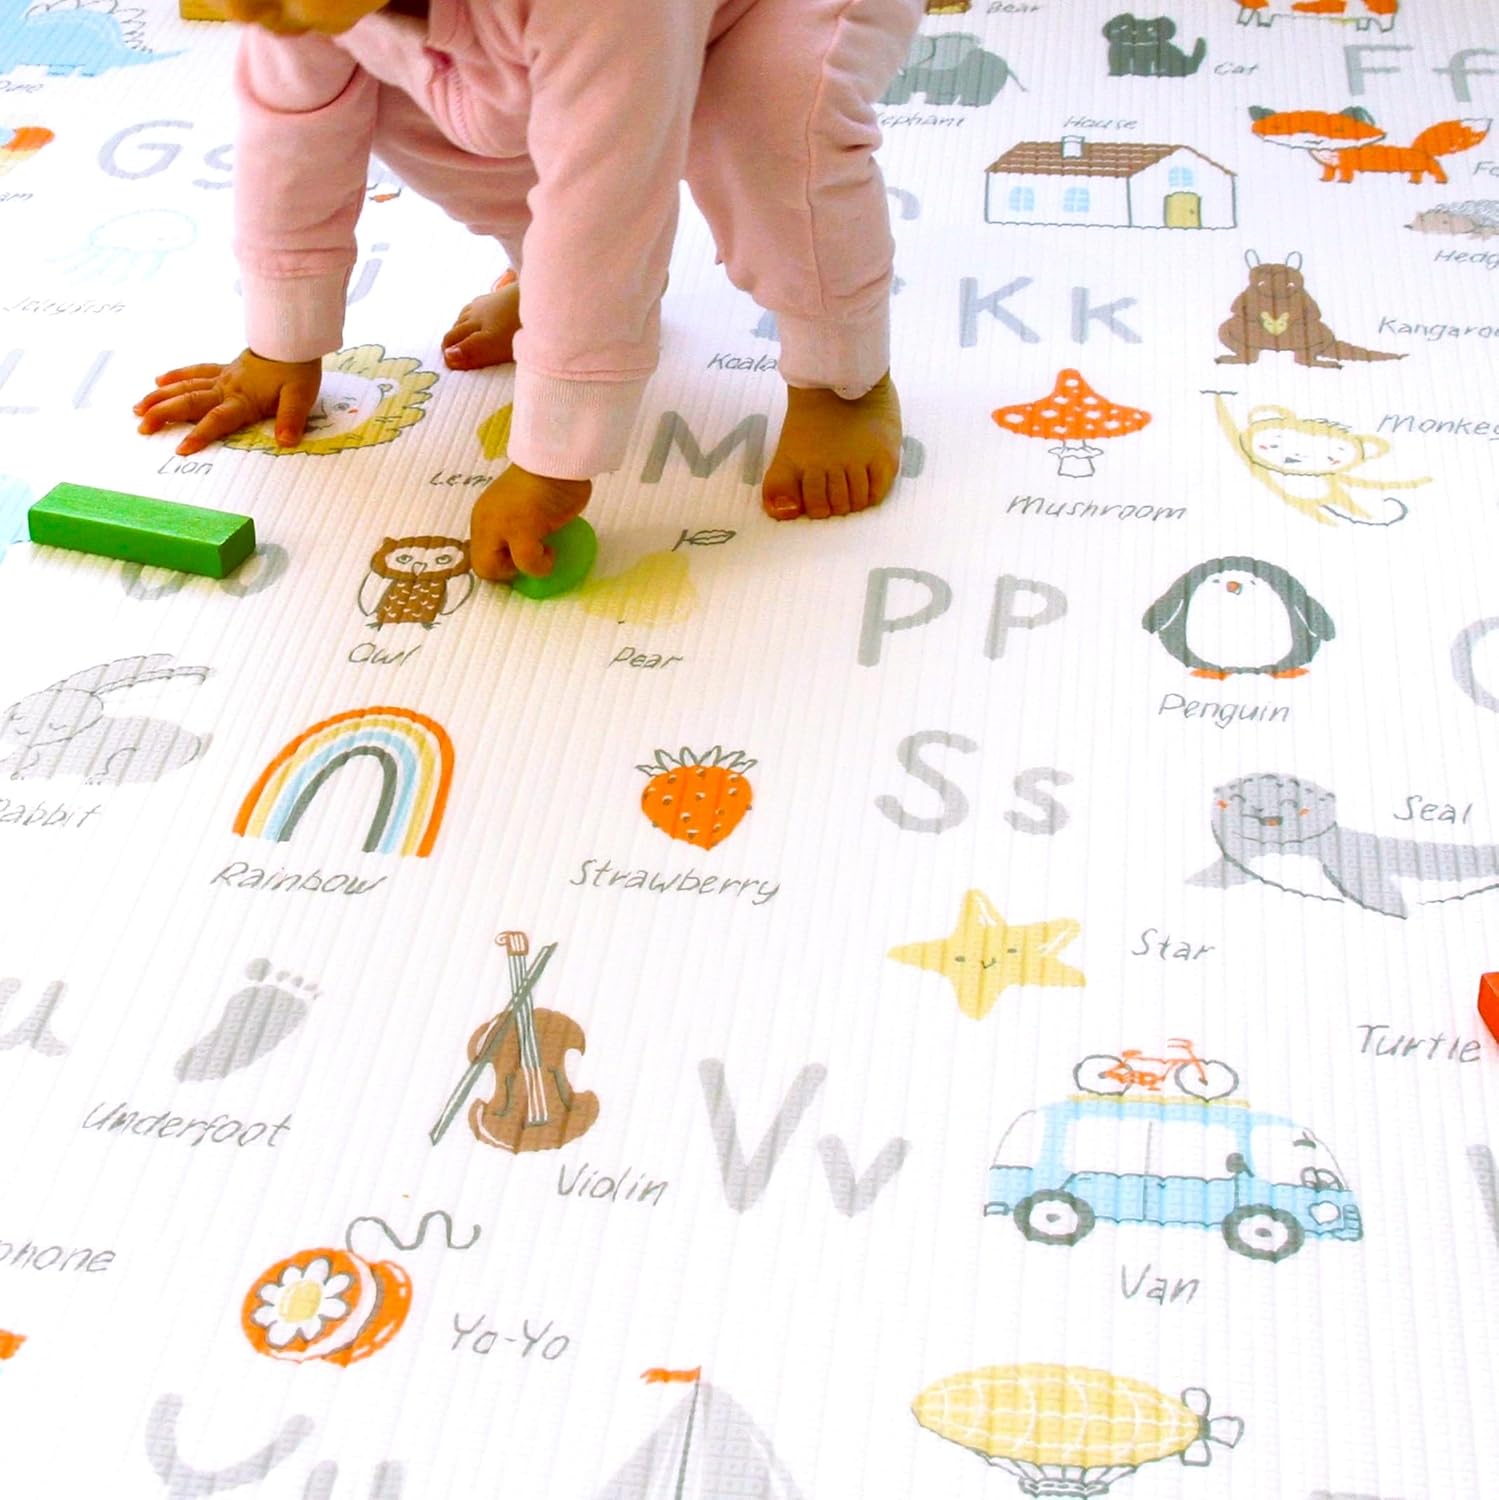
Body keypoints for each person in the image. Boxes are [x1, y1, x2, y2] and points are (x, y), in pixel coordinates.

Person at [133, 0, 921, 581]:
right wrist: (282, 340)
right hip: (554, 36)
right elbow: (290, 131)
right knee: (440, 107)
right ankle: (538, 278)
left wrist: (553, 460)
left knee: (769, 122)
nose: (241, 10)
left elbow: (604, 209)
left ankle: (840, 379)